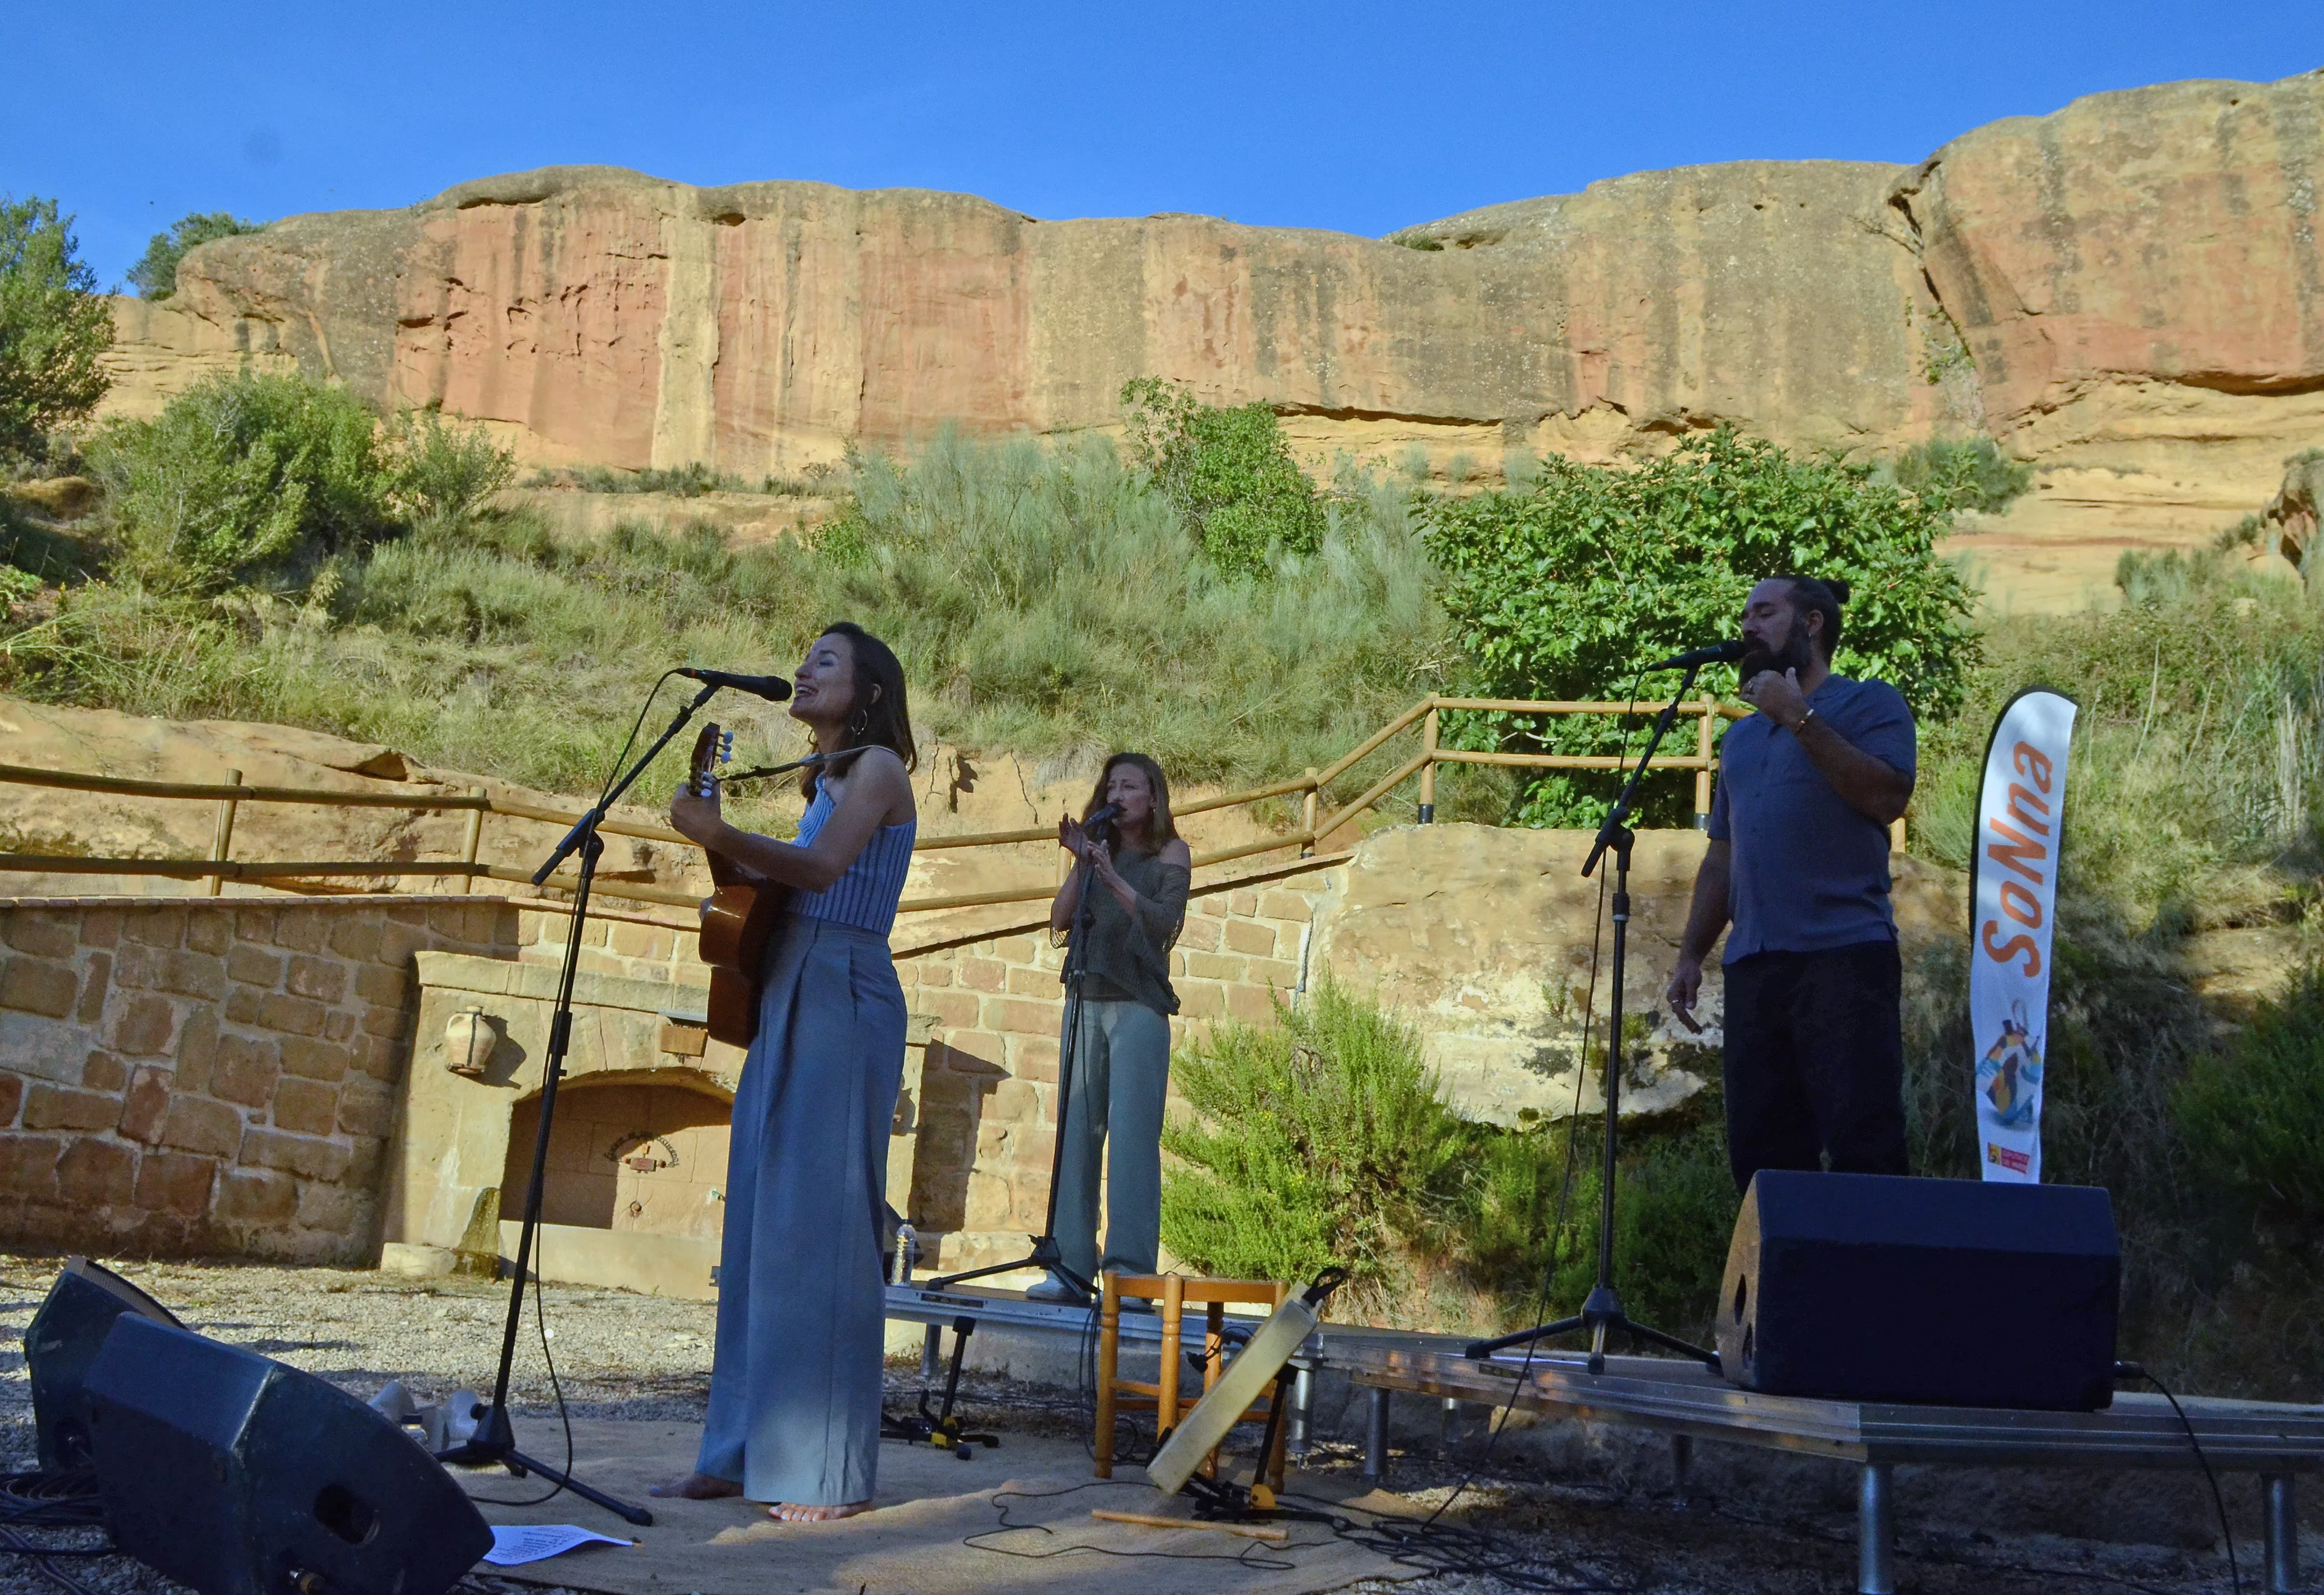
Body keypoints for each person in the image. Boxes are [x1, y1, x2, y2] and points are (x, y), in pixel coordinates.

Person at [657, 623, 918, 1523]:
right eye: (804, 659)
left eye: (826, 662)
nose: (802, 671)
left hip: (843, 984)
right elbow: (767, 887)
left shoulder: (879, 769)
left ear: (870, 690)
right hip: (787, 979)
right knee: (761, 1227)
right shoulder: (825, 779)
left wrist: (723, 828)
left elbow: (820, 869)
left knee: (824, 1232)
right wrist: (713, 838)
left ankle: (821, 1471)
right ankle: (736, 1453)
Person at [1663, 576, 1917, 1195]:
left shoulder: (1869, 704)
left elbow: (1885, 797)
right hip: (1754, 968)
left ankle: (1873, 1288)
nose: (1746, 625)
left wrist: (1797, 717)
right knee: (1763, 1162)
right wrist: (1691, 954)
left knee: (1864, 1147)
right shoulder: (1741, 738)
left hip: (1844, 959)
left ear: (1810, 624)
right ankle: (1783, 1289)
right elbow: (1722, 858)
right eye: (1744, 613)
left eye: (1763, 612)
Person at [1025, 753, 1192, 1305]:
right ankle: (1070, 1269)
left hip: (1139, 1007)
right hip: (1085, 997)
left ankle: (1128, 1278)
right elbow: (1058, 919)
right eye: (1112, 784)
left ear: (1152, 798)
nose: (1118, 793)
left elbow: (1164, 923)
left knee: (1133, 1142)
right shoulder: (1098, 852)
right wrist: (1083, 863)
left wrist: (1112, 875)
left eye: (1131, 785)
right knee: (1076, 1134)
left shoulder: (1171, 851)